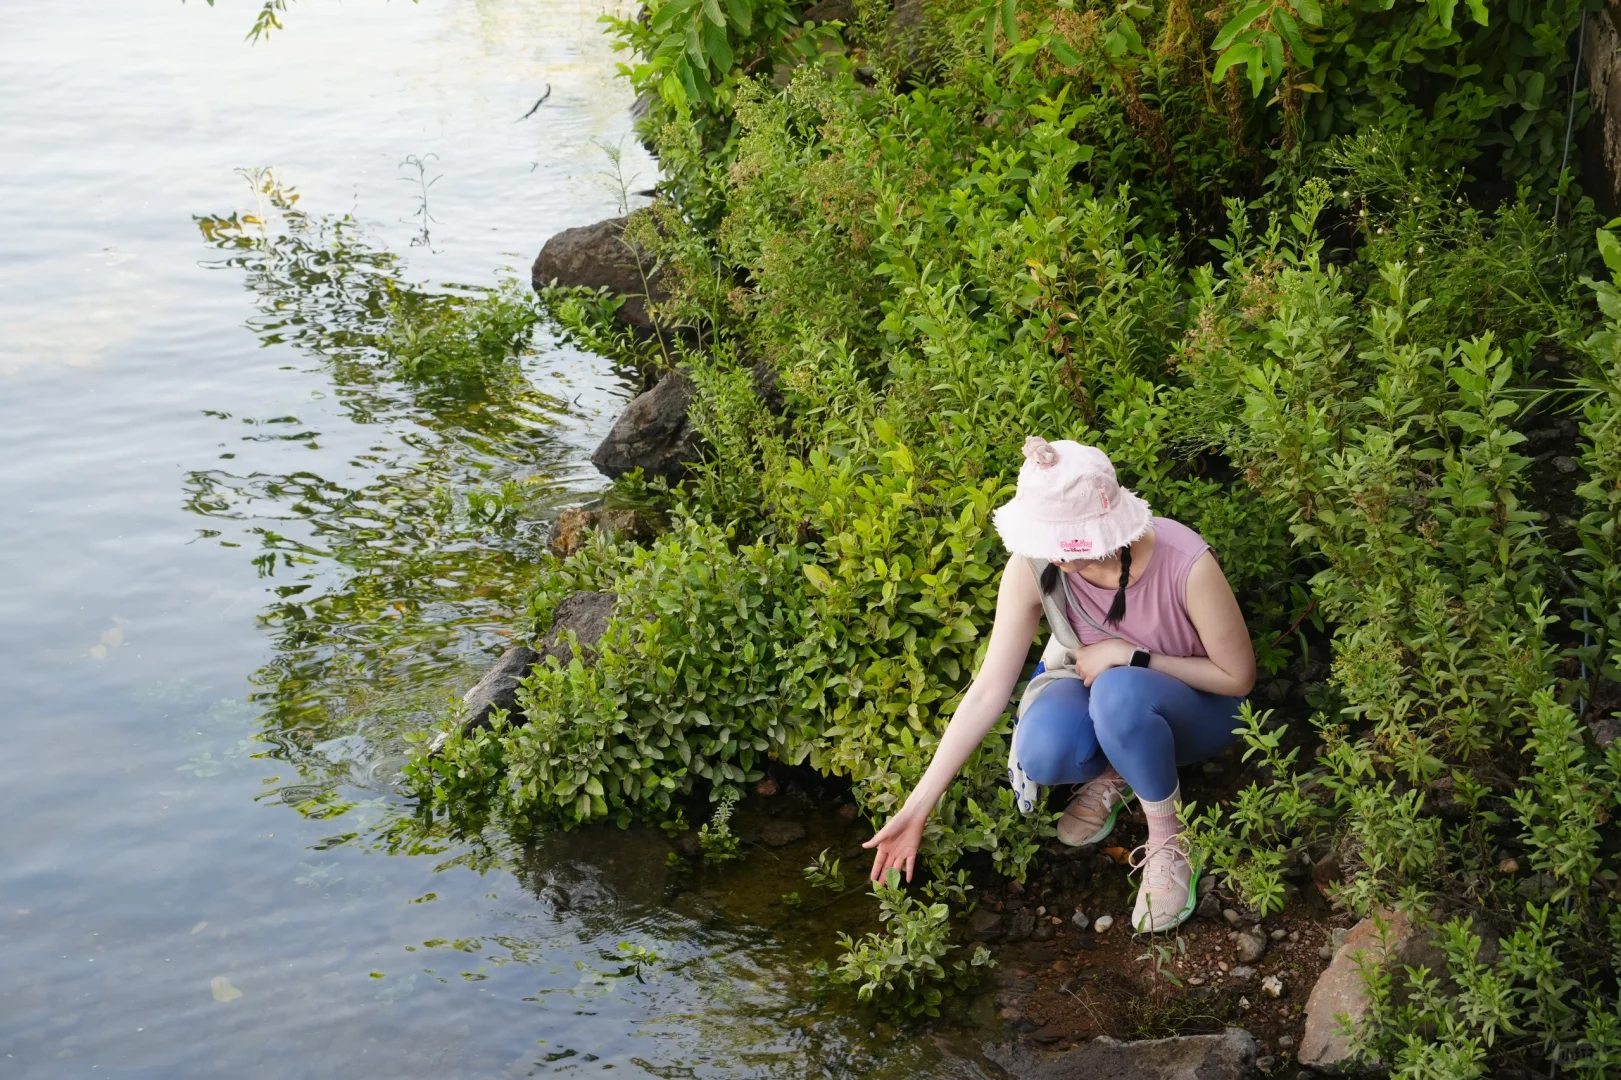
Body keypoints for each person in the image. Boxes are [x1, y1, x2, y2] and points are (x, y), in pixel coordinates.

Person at [862, 436, 1255, 933]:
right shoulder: (1037, 564)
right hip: (1106, 693)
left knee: (1119, 691)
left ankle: (1170, 840)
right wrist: (916, 809)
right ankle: (1125, 767)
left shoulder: (1185, 563)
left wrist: (1130, 656)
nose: (1056, 559)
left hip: (1201, 709)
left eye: (1067, 548)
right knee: (1045, 749)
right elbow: (988, 690)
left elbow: (1237, 678)